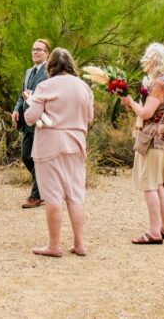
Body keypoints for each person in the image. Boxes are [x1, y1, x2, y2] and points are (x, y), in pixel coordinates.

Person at [24, 48, 94, 257]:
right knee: (75, 194)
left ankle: (54, 246)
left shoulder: (45, 86)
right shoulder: (83, 87)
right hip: (76, 143)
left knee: (54, 194)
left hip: (50, 144)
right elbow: (89, 117)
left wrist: (31, 102)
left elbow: (30, 117)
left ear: (51, 66)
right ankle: (79, 243)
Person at [120, 42, 164, 245]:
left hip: (153, 137)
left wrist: (130, 102)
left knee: (150, 185)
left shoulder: (159, 84)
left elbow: (146, 113)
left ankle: (154, 231)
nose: (145, 59)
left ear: (155, 60)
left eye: (148, 56)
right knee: (159, 184)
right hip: (162, 136)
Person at [11, 38, 50, 208]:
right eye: (34, 49)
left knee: (39, 157)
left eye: (40, 49)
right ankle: (44, 184)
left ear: (47, 53)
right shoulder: (28, 72)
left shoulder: (50, 72)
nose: (35, 52)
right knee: (26, 155)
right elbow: (23, 94)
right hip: (27, 119)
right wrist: (16, 109)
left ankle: (36, 195)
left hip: (42, 120)